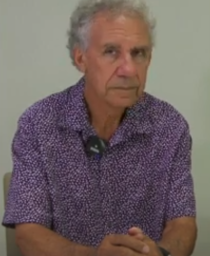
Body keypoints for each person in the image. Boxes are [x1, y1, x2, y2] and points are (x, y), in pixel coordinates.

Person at [2, 0, 197, 256]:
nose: (128, 69)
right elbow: (28, 234)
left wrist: (159, 252)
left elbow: (183, 224)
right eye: (111, 52)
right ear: (80, 58)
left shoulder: (170, 126)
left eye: (138, 53)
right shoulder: (39, 123)